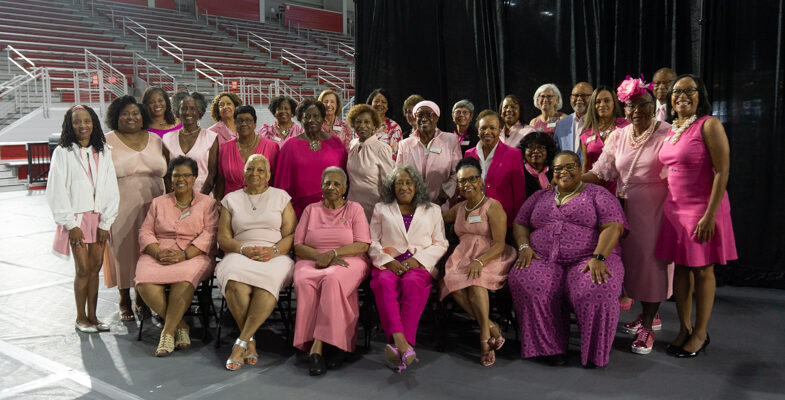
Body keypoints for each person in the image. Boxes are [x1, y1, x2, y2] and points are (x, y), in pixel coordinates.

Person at [508, 151, 628, 367]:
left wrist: (599, 256)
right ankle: (548, 348)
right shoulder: (540, 196)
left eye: (569, 166)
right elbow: (520, 222)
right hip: (543, 258)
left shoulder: (597, 194)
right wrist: (524, 246)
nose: (563, 172)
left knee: (597, 286)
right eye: (558, 168)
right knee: (527, 280)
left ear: (581, 169)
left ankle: (594, 353)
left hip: (590, 257)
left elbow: (613, 226)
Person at [583, 75, 672, 355]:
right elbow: (601, 172)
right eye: (631, 106)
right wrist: (570, 181)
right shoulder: (619, 135)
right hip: (622, 208)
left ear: (652, 105)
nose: (637, 110)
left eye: (643, 104)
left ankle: (648, 325)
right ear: (625, 109)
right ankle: (645, 315)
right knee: (630, 265)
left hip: (656, 210)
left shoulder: (667, 132)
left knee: (651, 266)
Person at [656, 74, 737, 358]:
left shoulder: (709, 125)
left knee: (703, 270)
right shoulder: (673, 129)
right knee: (680, 269)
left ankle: (701, 333)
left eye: (689, 90)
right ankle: (685, 328)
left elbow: (723, 171)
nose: (682, 96)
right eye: (676, 91)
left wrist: (709, 215)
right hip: (674, 208)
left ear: (700, 94)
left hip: (703, 207)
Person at [215, 154, 297, 370]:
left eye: (261, 170)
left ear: (268, 175)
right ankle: (249, 341)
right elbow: (223, 238)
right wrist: (243, 249)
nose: (255, 174)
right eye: (250, 169)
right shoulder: (230, 199)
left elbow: (291, 235)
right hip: (240, 251)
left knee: (267, 282)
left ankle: (241, 343)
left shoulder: (281, 197)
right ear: (243, 173)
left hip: (275, 254)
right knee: (234, 281)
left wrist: (273, 251)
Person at [135, 156, 219, 356]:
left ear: (195, 178)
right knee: (143, 282)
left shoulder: (208, 203)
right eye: (176, 175)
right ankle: (180, 325)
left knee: (185, 280)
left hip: (194, 254)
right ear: (170, 178)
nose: (181, 179)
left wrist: (184, 255)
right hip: (160, 251)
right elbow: (145, 231)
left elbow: (209, 234)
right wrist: (157, 252)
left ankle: (166, 333)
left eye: (186, 175)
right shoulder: (158, 203)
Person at [47, 105, 119, 333]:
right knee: (83, 269)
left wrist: (106, 222)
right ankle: (80, 318)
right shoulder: (63, 152)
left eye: (86, 121)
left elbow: (111, 186)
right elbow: (56, 189)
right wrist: (70, 224)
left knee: (95, 267)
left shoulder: (104, 151)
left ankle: (93, 317)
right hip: (77, 219)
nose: (82, 125)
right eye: (77, 121)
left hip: (100, 217)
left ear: (93, 123)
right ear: (70, 125)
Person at [368, 166, 448, 372]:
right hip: (388, 262)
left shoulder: (433, 210)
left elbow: (441, 243)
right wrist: (387, 261)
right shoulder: (381, 208)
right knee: (383, 282)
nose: (404, 187)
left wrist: (417, 260)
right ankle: (402, 342)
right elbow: (373, 241)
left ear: (416, 186)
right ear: (392, 187)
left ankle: (401, 344)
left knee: (412, 283)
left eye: (408, 182)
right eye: (399, 183)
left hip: (419, 264)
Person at [293, 167, 371, 376]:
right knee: (304, 281)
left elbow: (362, 244)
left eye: (337, 184)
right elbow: (298, 245)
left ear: (345, 188)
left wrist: (333, 253)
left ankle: (318, 347)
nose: (331, 187)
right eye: (327, 183)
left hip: (348, 259)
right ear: (321, 186)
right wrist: (320, 257)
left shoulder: (354, 209)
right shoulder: (311, 210)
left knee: (332, 278)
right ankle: (333, 343)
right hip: (311, 260)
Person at [441, 158, 516, 366]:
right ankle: (492, 326)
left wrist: (480, 261)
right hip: (463, 256)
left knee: (476, 281)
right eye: (462, 181)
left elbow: (500, 244)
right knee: (453, 285)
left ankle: (484, 337)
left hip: (490, 255)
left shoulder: (493, 206)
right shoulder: (458, 208)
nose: (467, 184)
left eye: (472, 179)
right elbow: (434, 218)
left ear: (480, 180)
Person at [104, 95, 167, 321]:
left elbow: (167, 170)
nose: (131, 117)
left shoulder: (156, 139)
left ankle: (143, 297)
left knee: (148, 251)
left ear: (143, 115)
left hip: (154, 203)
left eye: (135, 113)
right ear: (116, 116)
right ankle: (124, 299)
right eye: (125, 114)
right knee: (123, 251)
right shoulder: (106, 141)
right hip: (120, 204)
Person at [275, 99, 348, 218]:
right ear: (300, 120)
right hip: (299, 211)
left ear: (323, 118)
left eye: (316, 116)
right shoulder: (290, 146)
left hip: (332, 208)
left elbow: (345, 177)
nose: (311, 120)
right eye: (307, 117)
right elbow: (281, 184)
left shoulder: (336, 143)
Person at [395, 100, 462, 210]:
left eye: (429, 115)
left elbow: (457, 174)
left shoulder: (451, 140)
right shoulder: (404, 144)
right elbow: (399, 175)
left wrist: (441, 199)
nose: (424, 119)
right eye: (420, 115)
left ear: (437, 117)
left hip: (443, 205)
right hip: (412, 206)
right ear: (415, 118)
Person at [464, 110, 526, 227]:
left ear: (500, 130)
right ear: (478, 130)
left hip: (504, 220)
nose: (487, 132)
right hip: (475, 218)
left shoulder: (514, 154)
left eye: (492, 128)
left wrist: (518, 224)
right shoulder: (468, 154)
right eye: (483, 128)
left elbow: (519, 194)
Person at [216, 105, 279, 199]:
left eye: (248, 120)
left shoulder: (271, 147)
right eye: (239, 121)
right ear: (235, 123)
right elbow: (220, 180)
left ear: (255, 123)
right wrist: (218, 201)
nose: (244, 124)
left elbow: (275, 179)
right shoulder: (225, 148)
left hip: (262, 200)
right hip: (232, 202)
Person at [162, 91, 218, 195]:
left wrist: (200, 200)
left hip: (203, 196)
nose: (188, 112)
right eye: (184, 108)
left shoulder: (211, 137)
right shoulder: (167, 138)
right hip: (175, 198)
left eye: (192, 108)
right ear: (178, 111)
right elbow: (167, 175)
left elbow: (212, 175)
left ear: (199, 111)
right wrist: (173, 198)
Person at [345, 104, 394, 221]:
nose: (362, 125)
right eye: (358, 122)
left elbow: (388, 185)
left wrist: (383, 210)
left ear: (374, 125)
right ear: (353, 124)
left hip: (374, 208)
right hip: (352, 205)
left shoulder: (382, 149)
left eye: (367, 122)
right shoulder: (352, 144)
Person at [580, 86, 630, 191]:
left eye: (606, 101)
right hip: (595, 189)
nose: (602, 104)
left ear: (614, 103)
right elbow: (586, 165)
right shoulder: (586, 134)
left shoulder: (626, 126)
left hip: (622, 188)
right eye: (598, 102)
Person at [554, 82, 593, 163]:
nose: (579, 99)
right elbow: (557, 153)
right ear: (570, 98)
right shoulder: (561, 124)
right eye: (575, 95)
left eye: (584, 95)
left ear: (593, 98)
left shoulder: (598, 121)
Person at [518, 132, 556, 198]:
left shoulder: (555, 172)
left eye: (541, 147)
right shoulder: (518, 173)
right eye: (530, 147)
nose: (536, 151)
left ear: (548, 151)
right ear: (524, 151)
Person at [367, 88, 403, 156]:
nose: (379, 104)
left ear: (387, 107)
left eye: (383, 102)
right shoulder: (363, 124)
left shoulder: (394, 128)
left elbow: (395, 155)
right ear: (370, 104)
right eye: (376, 101)